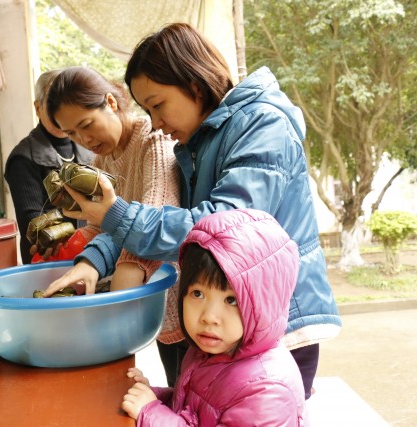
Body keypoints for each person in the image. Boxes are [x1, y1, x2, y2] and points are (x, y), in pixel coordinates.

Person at [43, 23, 341, 398]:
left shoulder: (262, 125)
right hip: (227, 322)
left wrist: (114, 215)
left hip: (278, 327)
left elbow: (224, 229)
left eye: (157, 105)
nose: (156, 123)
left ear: (194, 85)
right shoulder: (197, 143)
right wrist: (94, 258)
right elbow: (157, 215)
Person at [121, 209, 307, 426]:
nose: (209, 317)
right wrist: (152, 395)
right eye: (197, 294)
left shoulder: (267, 390)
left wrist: (150, 412)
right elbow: (196, 406)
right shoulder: (210, 349)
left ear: (265, 304)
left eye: (231, 300)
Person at [44, 66, 181, 301]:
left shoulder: (154, 141)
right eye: (71, 134)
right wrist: (68, 243)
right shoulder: (101, 161)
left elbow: (152, 223)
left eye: (87, 125)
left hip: (168, 293)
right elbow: (102, 226)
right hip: (136, 296)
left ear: (110, 102)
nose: (84, 140)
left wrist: (97, 261)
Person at [4, 69, 94, 264]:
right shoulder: (24, 157)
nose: (59, 114)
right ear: (38, 108)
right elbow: (32, 221)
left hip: (91, 256)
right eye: (52, 107)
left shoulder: (89, 148)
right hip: (48, 261)